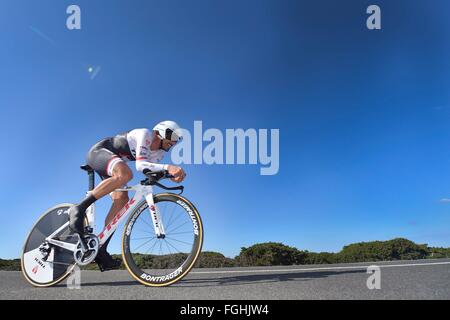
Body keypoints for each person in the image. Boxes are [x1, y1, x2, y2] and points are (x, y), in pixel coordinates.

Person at [68, 120, 186, 271]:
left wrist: (170, 175)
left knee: (122, 201)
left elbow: (149, 170)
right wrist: (169, 168)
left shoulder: (159, 153)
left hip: (114, 164)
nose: (174, 141)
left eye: (177, 139)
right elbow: (141, 165)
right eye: (172, 135)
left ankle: (101, 247)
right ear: (159, 132)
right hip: (100, 152)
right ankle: (79, 208)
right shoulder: (145, 134)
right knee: (125, 174)